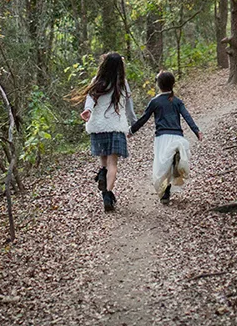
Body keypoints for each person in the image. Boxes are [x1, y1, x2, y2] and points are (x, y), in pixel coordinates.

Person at [130, 70, 202, 204]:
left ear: (158, 85)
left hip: (162, 138)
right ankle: (176, 162)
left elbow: (144, 118)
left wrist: (132, 130)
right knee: (170, 163)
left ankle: (165, 193)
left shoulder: (155, 102)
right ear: (172, 84)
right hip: (177, 136)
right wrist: (196, 131)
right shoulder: (177, 101)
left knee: (162, 167)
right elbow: (187, 116)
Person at [80, 51, 136, 212]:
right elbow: (129, 106)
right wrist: (133, 124)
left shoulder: (97, 81)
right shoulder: (122, 83)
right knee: (113, 163)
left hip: (98, 127)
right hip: (115, 126)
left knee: (104, 159)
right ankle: (108, 194)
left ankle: (102, 173)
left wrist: (88, 110)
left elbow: (90, 99)